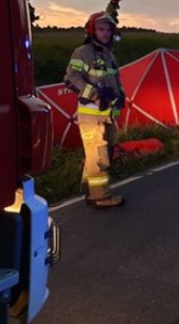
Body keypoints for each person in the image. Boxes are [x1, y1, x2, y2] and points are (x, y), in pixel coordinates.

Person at [64, 12, 126, 208]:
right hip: (91, 114)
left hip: (106, 115)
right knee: (99, 156)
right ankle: (100, 196)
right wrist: (96, 94)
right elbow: (72, 79)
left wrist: (119, 99)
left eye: (108, 30)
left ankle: (88, 189)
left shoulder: (109, 55)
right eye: (101, 29)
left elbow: (116, 82)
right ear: (92, 30)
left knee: (103, 152)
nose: (106, 33)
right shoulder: (82, 52)